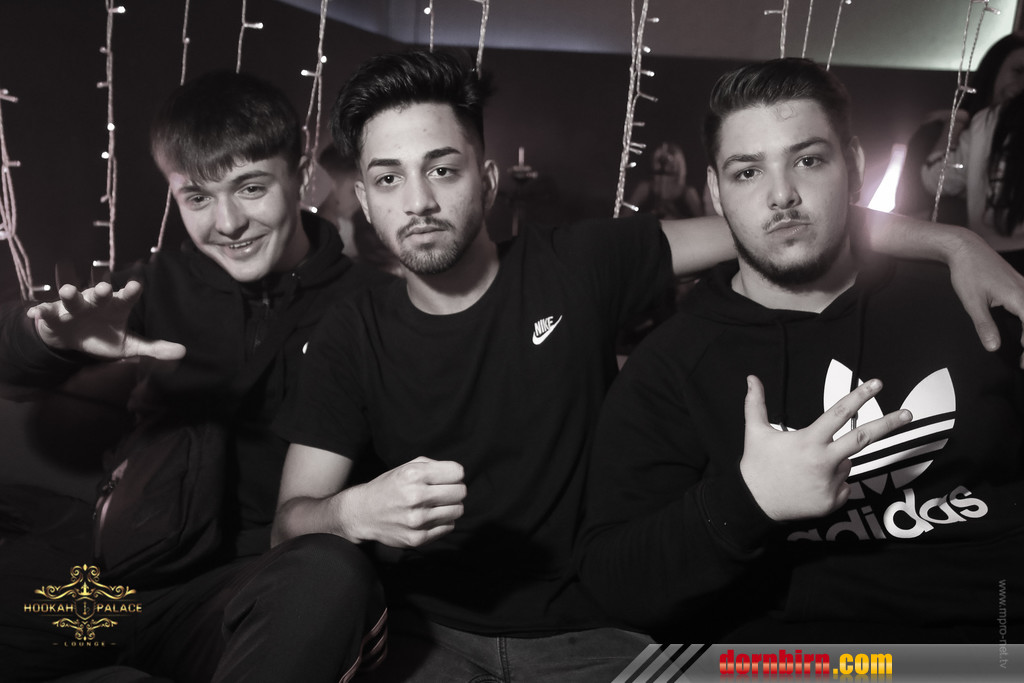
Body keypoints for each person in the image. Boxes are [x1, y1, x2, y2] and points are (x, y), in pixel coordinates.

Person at [576, 58, 1024, 643]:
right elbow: (614, 581)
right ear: (715, 192)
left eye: (808, 160)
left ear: (854, 167)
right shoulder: (672, 365)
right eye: (747, 172)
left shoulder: (971, 305)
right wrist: (749, 502)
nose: (782, 195)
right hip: (789, 664)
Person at [0, 71, 389, 682]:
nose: (227, 223)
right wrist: (47, 338)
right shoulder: (160, 283)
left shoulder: (371, 305)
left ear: (301, 176)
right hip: (109, 589)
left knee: (328, 574)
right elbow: (12, 361)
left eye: (250, 188)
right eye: (198, 198)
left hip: (239, 595)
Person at [922, 35, 1024, 271]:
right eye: (1018, 72)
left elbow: (937, 179)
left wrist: (955, 122)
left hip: (988, 258)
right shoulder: (983, 123)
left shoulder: (984, 122)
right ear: (994, 70)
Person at [628, 141, 704, 220]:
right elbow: (625, 215)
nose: (663, 167)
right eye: (659, 161)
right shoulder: (644, 189)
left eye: (670, 164)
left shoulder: (688, 193)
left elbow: (702, 221)